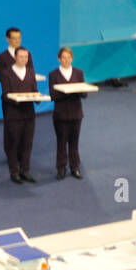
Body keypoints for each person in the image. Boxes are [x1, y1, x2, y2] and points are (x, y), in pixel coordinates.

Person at [0, 46, 40, 183]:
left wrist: (38, 98)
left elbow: (34, 90)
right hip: (14, 114)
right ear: (15, 57)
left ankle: (25, 171)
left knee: (27, 143)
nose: (24, 59)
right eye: (21, 57)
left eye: (26, 57)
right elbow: (5, 95)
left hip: (29, 114)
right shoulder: (6, 73)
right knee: (14, 144)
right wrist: (17, 99)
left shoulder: (31, 72)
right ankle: (14, 172)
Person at [48, 47, 87, 180]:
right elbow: (53, 95)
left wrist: (76, 91)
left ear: (72, 58)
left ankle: (75, 168)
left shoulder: (79, 73)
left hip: (76, 114)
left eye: (68, 57)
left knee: (74, 143)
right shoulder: (53, 75)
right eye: (63, 58)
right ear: (59, 59)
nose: (66, 60)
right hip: (61, 115)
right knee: (61, 142)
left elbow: (84, 93)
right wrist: (67, 92)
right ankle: (61, 168)